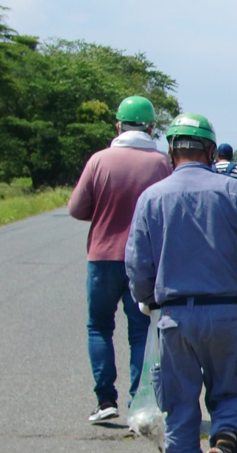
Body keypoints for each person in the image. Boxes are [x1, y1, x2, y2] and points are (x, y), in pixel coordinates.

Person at [125, 112, 237, 453]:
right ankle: (225, 444)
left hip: (174, 316)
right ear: (210, 151)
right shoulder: (233, 193)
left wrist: (145, 298)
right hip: (224, 313)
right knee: (230, 389)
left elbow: (138, 261)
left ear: (171, 150)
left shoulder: (152, 198)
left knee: (178, 399)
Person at [69, 95, 173, 423]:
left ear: (118, 125)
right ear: (152, 128)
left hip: (101, 257)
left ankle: (104, 401)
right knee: (141, 331)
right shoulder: (160, 164)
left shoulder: (99, 160)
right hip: (144, 262)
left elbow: (77, 209)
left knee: (99, 326)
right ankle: (138, 403)